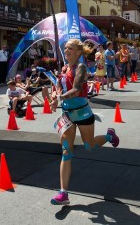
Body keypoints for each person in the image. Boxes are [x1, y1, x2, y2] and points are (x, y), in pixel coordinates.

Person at [49, 39, 120, 205]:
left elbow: (75, 90)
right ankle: (63, 193)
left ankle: (109, 136)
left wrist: (59, 97)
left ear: (78, 52)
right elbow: (61, 88)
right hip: (67, 115)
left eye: (70, 48)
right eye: (65, 48)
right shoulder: (64, 68)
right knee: (67, 152)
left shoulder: (80, 67)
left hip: (82, 113)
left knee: (90, 146)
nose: (66, 50)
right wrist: (55, 97)